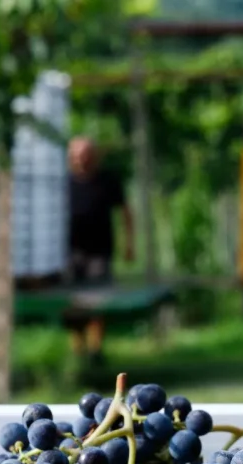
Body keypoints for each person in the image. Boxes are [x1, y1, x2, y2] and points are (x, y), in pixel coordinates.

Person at [66, 136, 135, 365]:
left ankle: (96, 349)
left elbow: (125, 212)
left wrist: (129, 244)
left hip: (99, 251)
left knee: (97, 301)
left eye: (85, 155)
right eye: (76, 155)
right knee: (72, 303)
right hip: (70, 251)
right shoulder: (63, 183)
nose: (81, 160)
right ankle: (77, 349)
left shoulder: (107, 181)